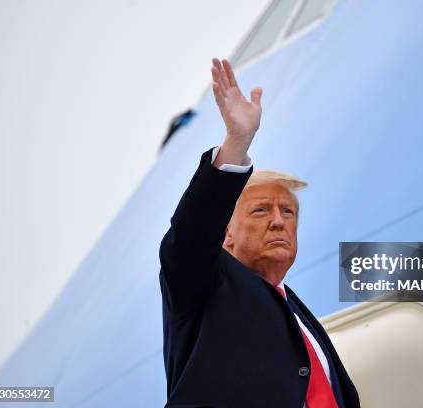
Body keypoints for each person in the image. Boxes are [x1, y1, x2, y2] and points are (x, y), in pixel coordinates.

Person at [159, 58, 360, 407]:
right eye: (261, 210)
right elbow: (192, 235)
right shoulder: (205, 285)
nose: (280, 221)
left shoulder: (293, 310)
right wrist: (237, 143)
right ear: (225, 234)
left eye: (288, 212)